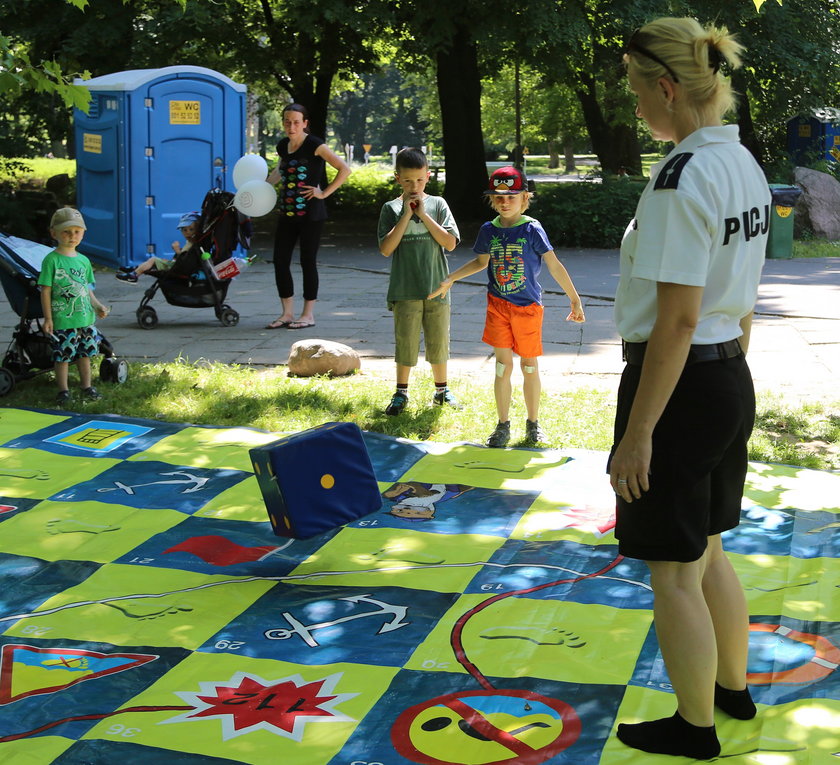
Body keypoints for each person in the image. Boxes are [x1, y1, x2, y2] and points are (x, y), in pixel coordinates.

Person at [608, 18, 770, 760]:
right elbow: (741, 291)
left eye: (637, 90)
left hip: (677, 382)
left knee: (673, 573)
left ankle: (694, 726)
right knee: (708, 550)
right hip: (727, 373)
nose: (635, 105)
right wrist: (732, 362)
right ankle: (733, 690)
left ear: (667, 88)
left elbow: (674, 321)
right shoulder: (740, 160)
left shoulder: (682, 175)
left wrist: (638, 431)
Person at [429, 166, 584, 447]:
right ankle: (503, 425)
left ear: (525, 197)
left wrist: (573, 298)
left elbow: (553, 264)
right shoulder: (489, 229)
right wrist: (451, 277)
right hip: (498, 306)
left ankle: (533, 423)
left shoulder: (532, 228)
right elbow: (480, 262)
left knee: (528, 367)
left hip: (527, 308)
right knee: (502, 366)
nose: (504, 202)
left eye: (511, 196)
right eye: (498, 197)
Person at [379, 147, 461, 416]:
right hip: (404, 288)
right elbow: (386, 248)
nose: (414, 186)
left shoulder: (438, 205)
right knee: (406, 341)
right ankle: (401, 392)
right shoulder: (390, 208)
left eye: (419, 180)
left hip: (437, 285)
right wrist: (406, 214)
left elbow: (450, 243)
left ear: (428, 176)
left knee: (439, 341)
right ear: (397, 179)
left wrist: (423, 214)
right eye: (407, 181)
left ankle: (442, 391)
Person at [265, 103, 352, 329]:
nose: (291, 126)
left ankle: (308, 315)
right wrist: (260, 188)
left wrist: (323, 192)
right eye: (287, 121)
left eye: (296, 122)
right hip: (287, 211)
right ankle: (287, 313)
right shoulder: (283, 145)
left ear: (305, 123)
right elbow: (280, 170)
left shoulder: (315, 144)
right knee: (280, 260)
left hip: (311, 214)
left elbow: (344, 169)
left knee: (307, 261)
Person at [38, 207, 110, 405]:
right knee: (63, 356)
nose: (72, 236)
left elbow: (86, 289)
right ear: (54, 233)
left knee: (85, 355)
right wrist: (49, 318)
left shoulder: (84, 261)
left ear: (83, 233)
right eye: (66, 232)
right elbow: (45, 290)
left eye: (77, 231)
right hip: (63, 320)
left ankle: (87, 386)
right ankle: (63, 390)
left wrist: (97, 306)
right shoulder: (51, 260)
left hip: (85, 319)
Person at [115, 211, 200, 283]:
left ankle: (133, 275)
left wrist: (177, 251)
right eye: (184, 230)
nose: (187, 233)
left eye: (191, 229)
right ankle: (136, 269)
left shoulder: (194, 244)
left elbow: (186, 261)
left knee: (153, 260)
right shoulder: (191, 242)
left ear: (197, 229)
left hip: (179, 268)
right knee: (152, 262)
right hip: (178, 265)